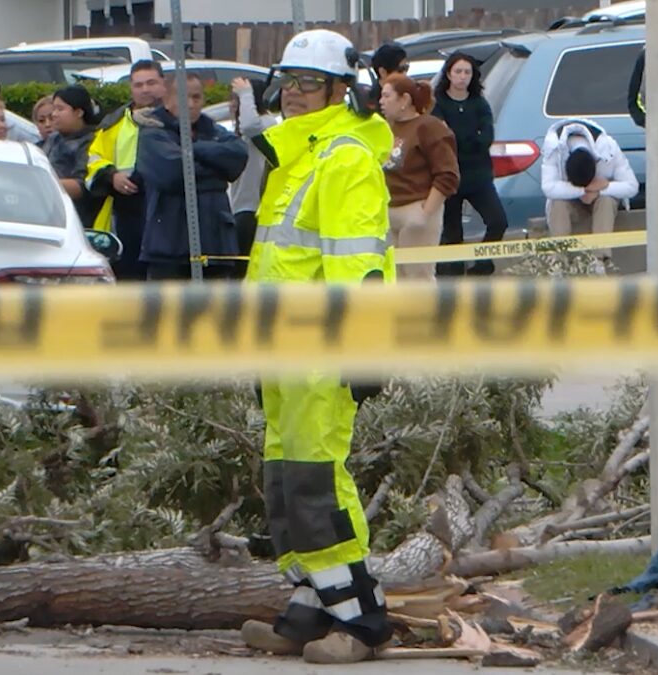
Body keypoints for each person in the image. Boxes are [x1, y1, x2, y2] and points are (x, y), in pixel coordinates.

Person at [237, 28, 396, 664]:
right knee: (283, 481)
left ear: (339, 89)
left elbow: (359, 268)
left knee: (314, 483)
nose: (294, 95)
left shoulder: (344, 158)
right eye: (288, 83)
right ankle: (308, 606)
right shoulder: (298, 156)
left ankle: (361, 620)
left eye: (308, 84)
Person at [134, 72, 247, 280]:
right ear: (167, 99)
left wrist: (192, 150)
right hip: (168, 248)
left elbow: (238, 157)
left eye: (196, 97)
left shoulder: (213, 128)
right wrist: (217, 173)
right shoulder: (152, 132)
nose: (191, 104)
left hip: (216, 245)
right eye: (183, 97)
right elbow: (173, 173)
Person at [86, 60, 167, 280]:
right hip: (127, 211)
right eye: (138, 85)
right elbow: (94, 158)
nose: (145, 89)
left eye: (151, 83)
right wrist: (112, 176)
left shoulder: (177, 119)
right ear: (131, 88)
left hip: (167, 209)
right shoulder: (114, 123)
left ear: (163, 84)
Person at [432, 52, 509, 277]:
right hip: (449, 176)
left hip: (479, 176)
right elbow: (443, 139)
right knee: (452, 232)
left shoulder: (480, 103)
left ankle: (483, 263)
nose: (462, 77)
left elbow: (485, 137)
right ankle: (452, 274)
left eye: (467, 72)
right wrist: (466, 138)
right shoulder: (439, 103)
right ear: (448, 73)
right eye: (458, 71)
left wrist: (460, 138)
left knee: (498, 221)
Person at [379, 73, 459, 281]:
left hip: (417, 207)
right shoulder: (385, 127)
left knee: (417, 276)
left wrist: (424, 214)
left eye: (387, 96)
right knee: (394, 276)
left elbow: (447, 174)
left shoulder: (429, 127)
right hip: (388, 209)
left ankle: (425, 314)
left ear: (404, 100)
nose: (382, 102)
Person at [540, 118, 640, 261]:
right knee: (558, 203)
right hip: (572, 205)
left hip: (600, 205)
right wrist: (582, 191)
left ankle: (599, 260)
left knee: (606, 201)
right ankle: (558, 260)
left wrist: (602, 189)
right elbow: (548, 188)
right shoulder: (554, 148)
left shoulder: (609, 147)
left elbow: (632, 186)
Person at [228, 76, 279, 277]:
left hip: (253, 209)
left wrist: (245, 93)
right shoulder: (243, 129)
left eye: (236, 99)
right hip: (240, 206)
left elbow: (250, 125)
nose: (232, 105)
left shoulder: (266, 124)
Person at [43, 86, 100, 228]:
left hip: (79, 218)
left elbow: (82, 186)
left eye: (60, 109)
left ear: (79, 112)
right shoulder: (53, 138)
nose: (54, 114)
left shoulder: (92, 140)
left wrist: (42, 184)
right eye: (54, 109)